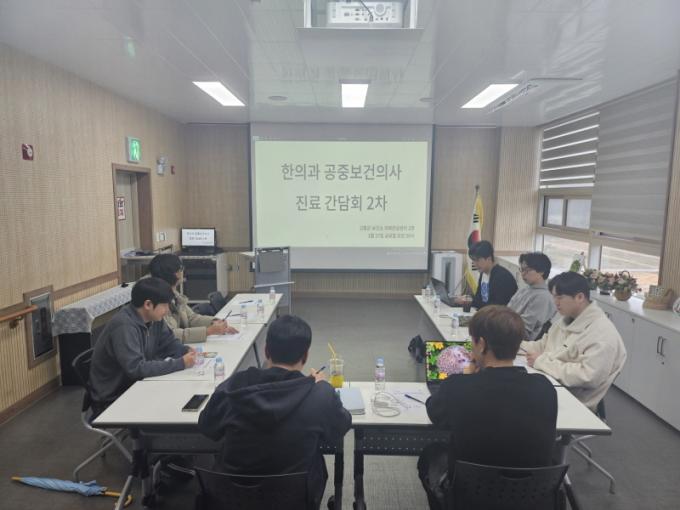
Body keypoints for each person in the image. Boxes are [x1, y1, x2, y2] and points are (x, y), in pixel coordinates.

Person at [198, 315, 351, 509]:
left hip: (231, 499)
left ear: (266, 350)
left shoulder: (233, 387)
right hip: (293, 500)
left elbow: (207, 427)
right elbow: (339, 428)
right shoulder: (320, 395)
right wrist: (318, 385)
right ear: (305, 356)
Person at [418, 306, 557, 510]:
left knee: (430, 455)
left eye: (472, 342)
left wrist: (465, 379)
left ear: (482, 344)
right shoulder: (544, 387)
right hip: (531, 497)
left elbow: (434, 412)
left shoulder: (458, 387)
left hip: (472, 497)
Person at [522, 271, 626, 411]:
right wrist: (512, 345)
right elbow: (542, 346)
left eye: (560, 297)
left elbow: (587, 377)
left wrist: (542, 362)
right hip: (549, 384)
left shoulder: (602, 333)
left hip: (571, 401)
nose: (555, 302)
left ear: (580, 297)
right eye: (554, 297)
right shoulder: (566, 319)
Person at [89, 277, 196, 412]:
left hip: (137, 384)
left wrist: (185, 350)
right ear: (148, 305)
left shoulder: (154, 318)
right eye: (164, 305)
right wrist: (180, 363)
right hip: (114, 397)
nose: (168, 310)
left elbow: (168, 343)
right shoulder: (124, 326)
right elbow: (136, 368)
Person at [149, 253, 237, 343]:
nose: (183, 272)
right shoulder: (157, 301)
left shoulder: (174, 294)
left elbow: (191, 318)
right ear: (176, 273)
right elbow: (171, 334)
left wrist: (214, 321)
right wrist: (208, 331)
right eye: (181, 269)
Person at [507, 252, 557, 341]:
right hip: (507, 330)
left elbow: (523, 329)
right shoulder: (525, 289)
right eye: (522, 269)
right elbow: (507, 310)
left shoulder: (543, 297)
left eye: (527, 270)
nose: (523, 274)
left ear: (541, 271)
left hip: (519, 340)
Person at [456, 241, 517, 310]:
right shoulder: (483, 273)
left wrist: (471, 302)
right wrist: (467, 299)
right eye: (473, 260)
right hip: (486, 313)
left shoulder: (502, 277)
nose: (475, 264)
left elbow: (496, 306)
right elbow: (479, 299)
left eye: (477, 260)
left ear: (489, 259)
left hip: (500, 315)